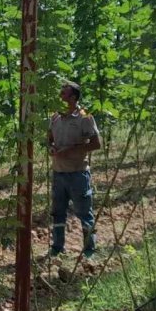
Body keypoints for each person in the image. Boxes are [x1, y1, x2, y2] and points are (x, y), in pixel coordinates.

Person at [48, 81, 102, 258]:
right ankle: (57, 247)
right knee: (58, 213)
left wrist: (70, 150)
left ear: (73, 97)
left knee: (84, 213)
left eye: (64, 94)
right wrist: (51, 148)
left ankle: (89, 251)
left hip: (78, 173)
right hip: (59, 173)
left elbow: (96, 144)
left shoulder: (85, 117)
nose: (60, 96)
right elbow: (48, 139)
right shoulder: (55, 116)